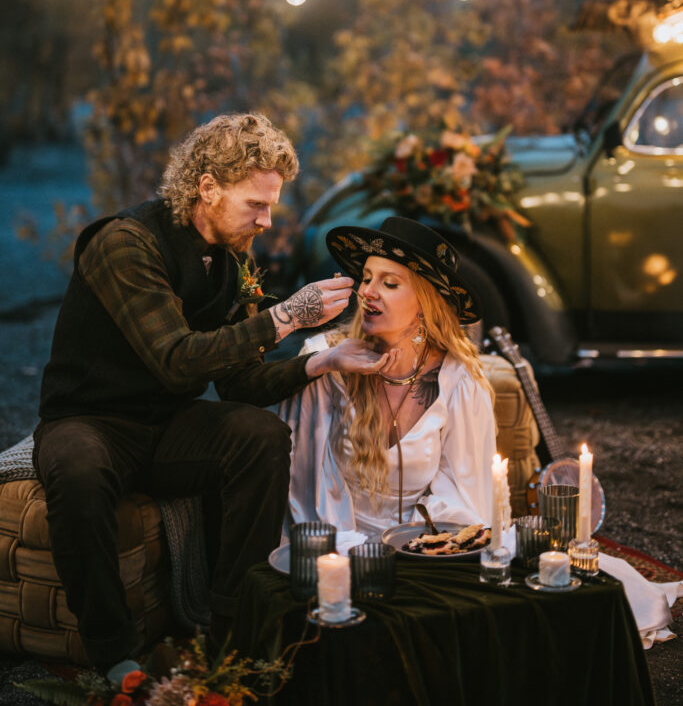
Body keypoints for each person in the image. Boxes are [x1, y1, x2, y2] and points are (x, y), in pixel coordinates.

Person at [33, 113, 388, 677]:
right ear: (207, 188)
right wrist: (285, 316)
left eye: (271, 205)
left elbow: (242, 382)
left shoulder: (236, 262)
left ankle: (232, 629)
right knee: (77, 469)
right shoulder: (125, 243)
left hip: (167, 425)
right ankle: (115, 656)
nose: (267, 221)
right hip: (90, 420)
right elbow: (176, 361)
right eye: (256, 205)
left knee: (260, 435)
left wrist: (322, 360)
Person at [279, 216, 497, 538]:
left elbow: (464, 498)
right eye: (366, 278)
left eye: (389, 283)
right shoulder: (325, 361)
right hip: (337, 549)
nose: (367, 292)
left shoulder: (459, 382)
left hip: (422, 550)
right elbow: (306, 490)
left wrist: (414, 548)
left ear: (425, 303)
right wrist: (358, 557)